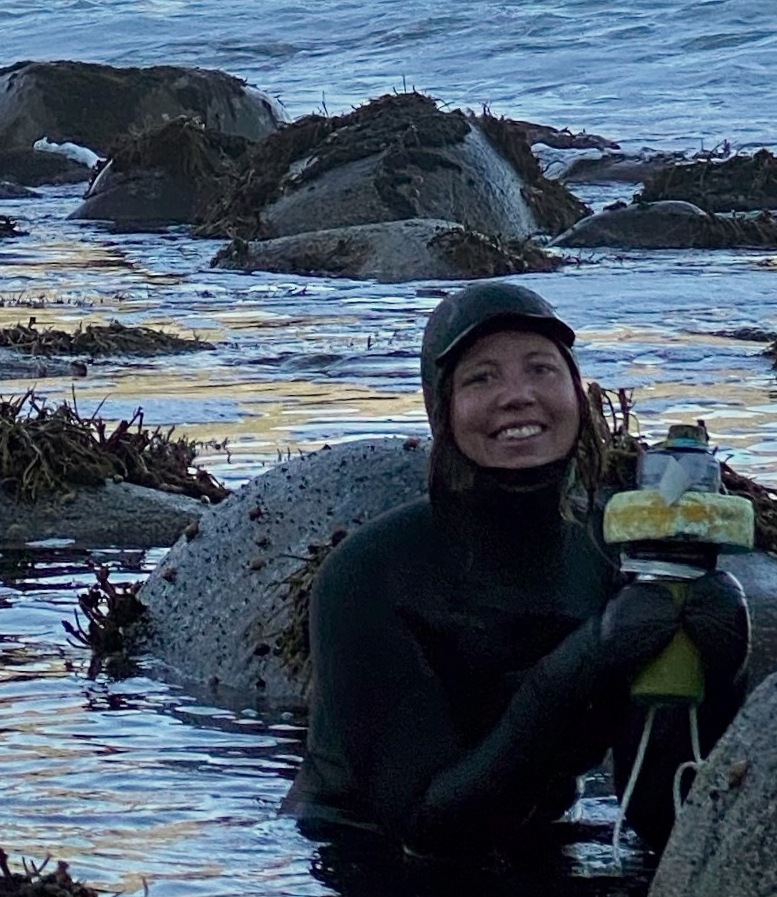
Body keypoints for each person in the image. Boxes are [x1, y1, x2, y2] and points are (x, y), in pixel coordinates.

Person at [292, 276, 751, 861]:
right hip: (373, 859)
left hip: (543, 841)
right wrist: (584, 662)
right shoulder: (370, 575)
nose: (518, 395)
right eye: (482, 377)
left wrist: (720, 675)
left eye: (541, 369)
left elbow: (664, 815)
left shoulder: (620, 551)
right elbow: (425, 824)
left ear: (578, 395)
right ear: (444, 411)